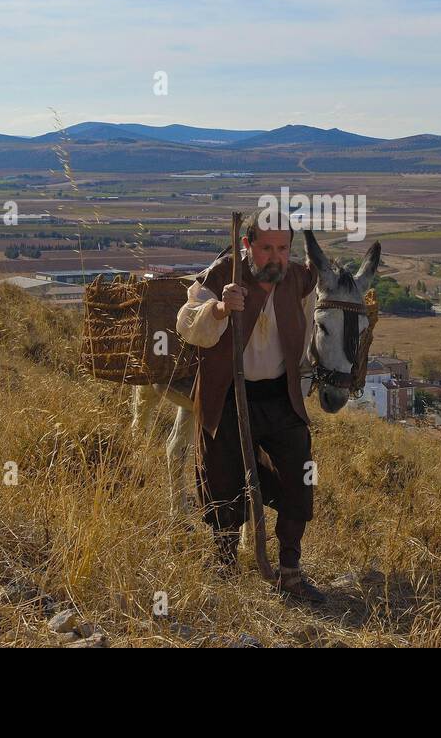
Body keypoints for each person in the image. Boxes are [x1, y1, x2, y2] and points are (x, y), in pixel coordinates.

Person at [175, 210, 325, 603]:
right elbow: (186, 324)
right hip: (227, 394)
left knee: (299, 474)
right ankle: (223, 566)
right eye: (266, 248)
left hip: (279, 396)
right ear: (247, 245)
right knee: (223, 479)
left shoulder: (299, 280)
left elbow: (307, 331)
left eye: (283, 248)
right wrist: (220, 310)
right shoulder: (223, 274)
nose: (275, 257)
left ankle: (290, 570)